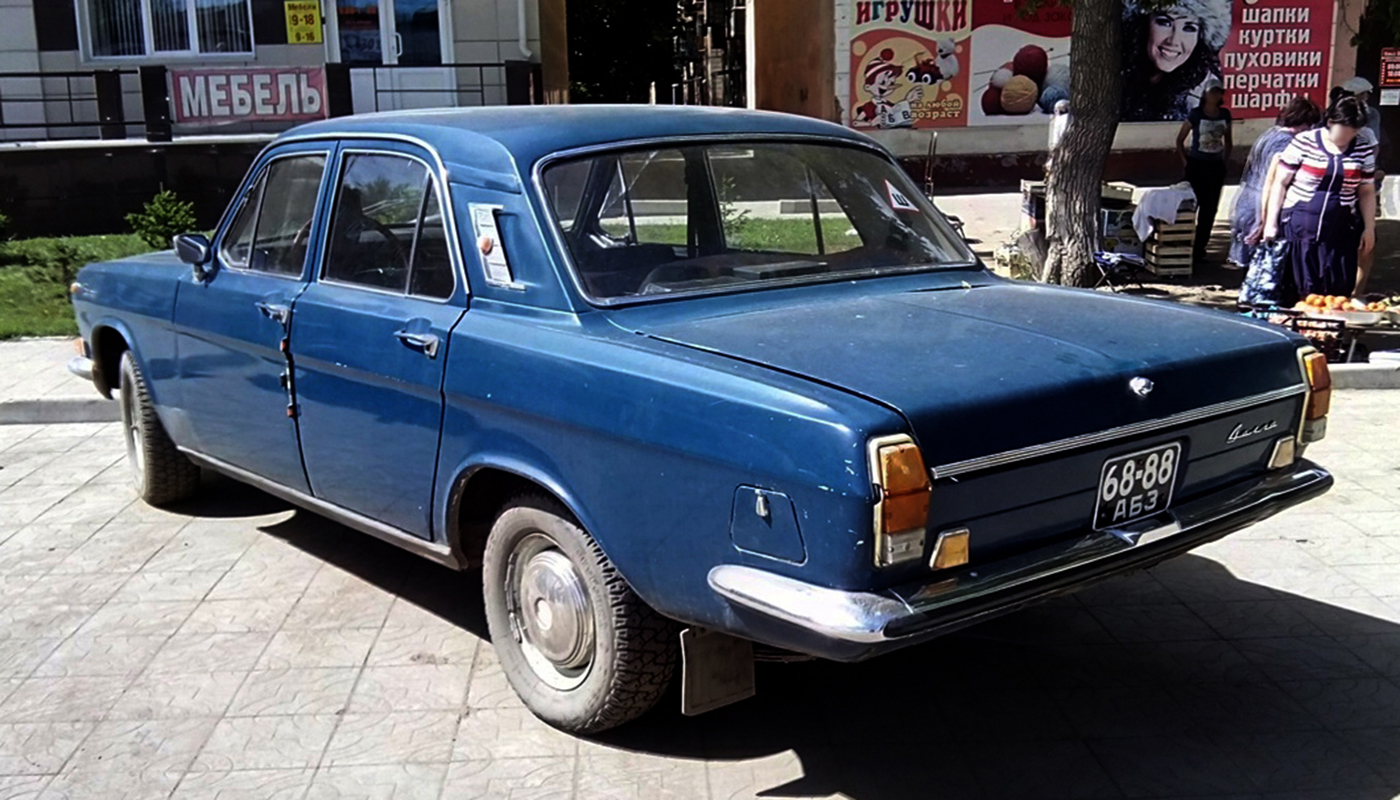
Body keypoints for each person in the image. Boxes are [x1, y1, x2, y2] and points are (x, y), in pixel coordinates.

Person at [1263, 97, 1377, 305]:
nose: (1348, 136)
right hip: (1300, 228)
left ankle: (1328, 325)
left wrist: (1369, 228)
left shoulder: (1362, 149)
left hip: (1339, 231)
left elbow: (1366, 191)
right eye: (1344, 129)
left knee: (1335, 292)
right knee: (1300, 289)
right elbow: (1279, 183)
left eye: (1354, 131)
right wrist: (1270, 223)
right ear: (1331, 121)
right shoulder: (1304, 142)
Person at [1235, 97, 1322, 307]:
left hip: (1247, 201)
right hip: (1262, 205)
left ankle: (1249, 305)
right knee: (1267, 268)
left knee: (1253, 267)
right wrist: (1265, 220)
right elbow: (1273, 182)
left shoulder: (1269, 134)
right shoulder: (1288, 143)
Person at [1120, 0, 1231, 121]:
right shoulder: (1118, 70)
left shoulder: (1204, 94)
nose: (1173, 41)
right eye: (1164, 22)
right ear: (1143, 23)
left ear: (1201, 36)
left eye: (1189, 28)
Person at [1176, 78, 1231, 263]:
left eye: (1218, 92)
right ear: (1205, 94)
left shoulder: (1225, 114)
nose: (1215, 95)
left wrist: (1224, 162)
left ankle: (1200, 247)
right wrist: (1186, 162)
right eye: (1212, 92)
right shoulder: (1196, 114)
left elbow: (1228, 141)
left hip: (1215, 166)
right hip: (1197, 165)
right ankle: (1184, 244)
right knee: (1190, 206)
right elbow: (1180, 140)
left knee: (1210, 209)